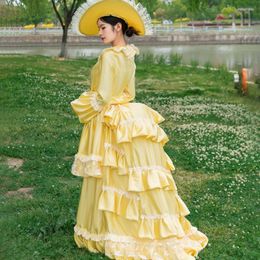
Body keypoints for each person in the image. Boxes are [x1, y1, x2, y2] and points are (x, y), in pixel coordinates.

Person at [70, 0, 208, 259]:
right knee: (134, 177)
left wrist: (85, 106)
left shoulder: (109, 56)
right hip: (130, 114)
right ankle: (142, 224)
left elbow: (104, 94)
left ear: (118, 27)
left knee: (112, 173)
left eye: (103, 28)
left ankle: (110, 229)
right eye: (99, 28)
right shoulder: (129, 54)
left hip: (111, 116)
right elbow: (126, 90)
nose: (99, 33)